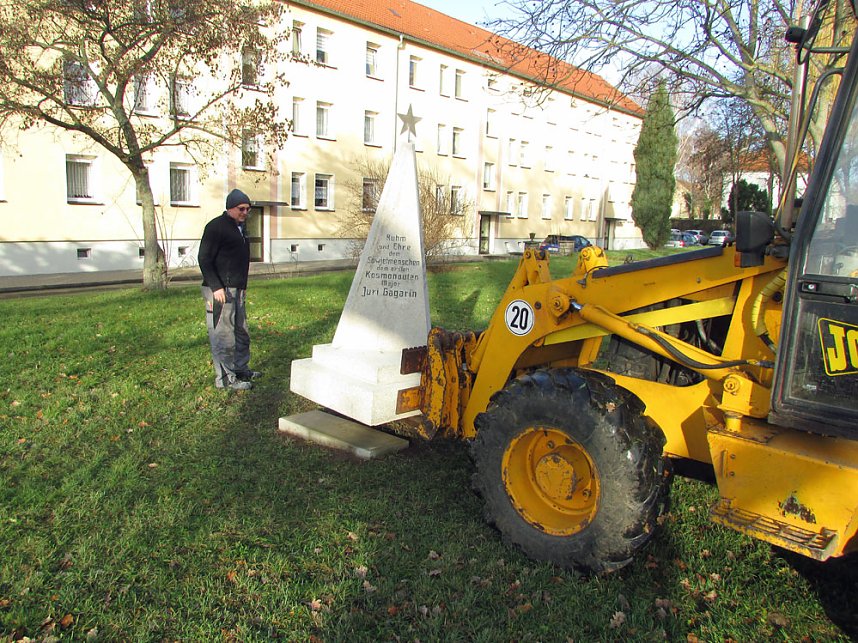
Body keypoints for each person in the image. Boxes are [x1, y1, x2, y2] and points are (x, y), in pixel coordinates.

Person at [198, 189, 262, 390]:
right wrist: (216, 287)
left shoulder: (241, 228)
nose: (245, 212)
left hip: (238, 290)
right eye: (241, 208)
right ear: (230, 207)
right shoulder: (216, 227)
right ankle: (226, 380)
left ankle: (241, 369)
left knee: (241, 331)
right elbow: (204, 259)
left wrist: (242, 289)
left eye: (248, 209)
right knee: (223, 334)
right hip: (219, 291)